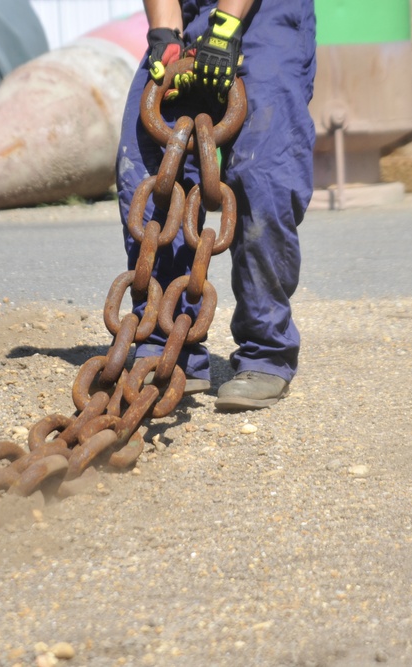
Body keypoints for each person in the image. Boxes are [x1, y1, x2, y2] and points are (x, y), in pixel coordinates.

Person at [116, 0, 317, 411]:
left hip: (266, 14)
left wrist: (225, 26)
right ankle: (165, 341)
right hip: (189, 14)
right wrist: (165, 34)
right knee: (145, 166)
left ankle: (266, 350)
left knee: (264, 173)